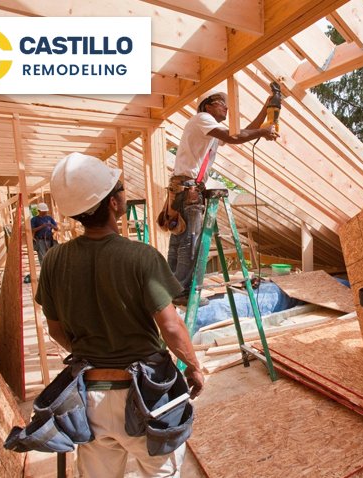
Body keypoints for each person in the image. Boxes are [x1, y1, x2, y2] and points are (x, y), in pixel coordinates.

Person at [36, 152, 204, 477]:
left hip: (88, 395)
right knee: (161, 471)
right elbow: (171, 326)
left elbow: (55, 329)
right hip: (146, 394)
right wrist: (194, 367)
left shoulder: (55, 260)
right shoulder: (141, 257)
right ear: (113, 203)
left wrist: (93, 353)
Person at [165, 90, 279, 305]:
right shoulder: (203, 119)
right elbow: (234, 137)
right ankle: (180, 291)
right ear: (207, 106)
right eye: (221, 104)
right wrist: (263, 133)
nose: (226, 108)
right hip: (188, 189)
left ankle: (170, 288)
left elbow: (242, 132)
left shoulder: (208, 131)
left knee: (180, 240)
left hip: (184, 188)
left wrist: (265, 109)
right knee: (189, 241)